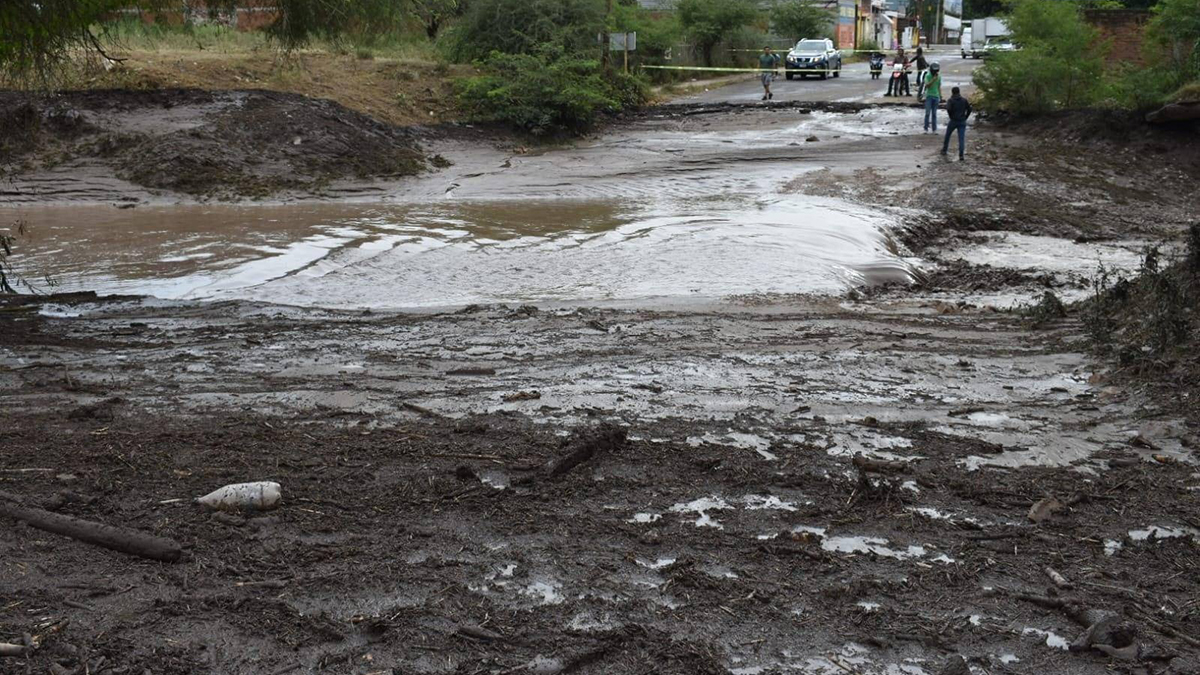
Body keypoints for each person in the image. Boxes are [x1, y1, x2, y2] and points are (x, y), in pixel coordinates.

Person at [942, 86, 973, 160]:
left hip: (953, 120)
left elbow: (948, 109)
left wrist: (951, 116)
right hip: (962, 120)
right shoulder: (964, 100)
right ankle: (961, 155)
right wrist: (966, 117)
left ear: (952, 92)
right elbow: (969, 109)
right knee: (961, 138)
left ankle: (944, 150)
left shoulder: (951, 100)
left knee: (948, 135)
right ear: (959, 92)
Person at [923, 62, 942, 133]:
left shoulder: (939, 77)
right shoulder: (927, 76)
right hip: (929, 96)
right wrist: (933, 80)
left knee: (934, 114)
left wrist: (940, 95)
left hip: (936, 96)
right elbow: (927, 85)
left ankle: (934, 129)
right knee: (927, 113)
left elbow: (939, 86)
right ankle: (926, 128)